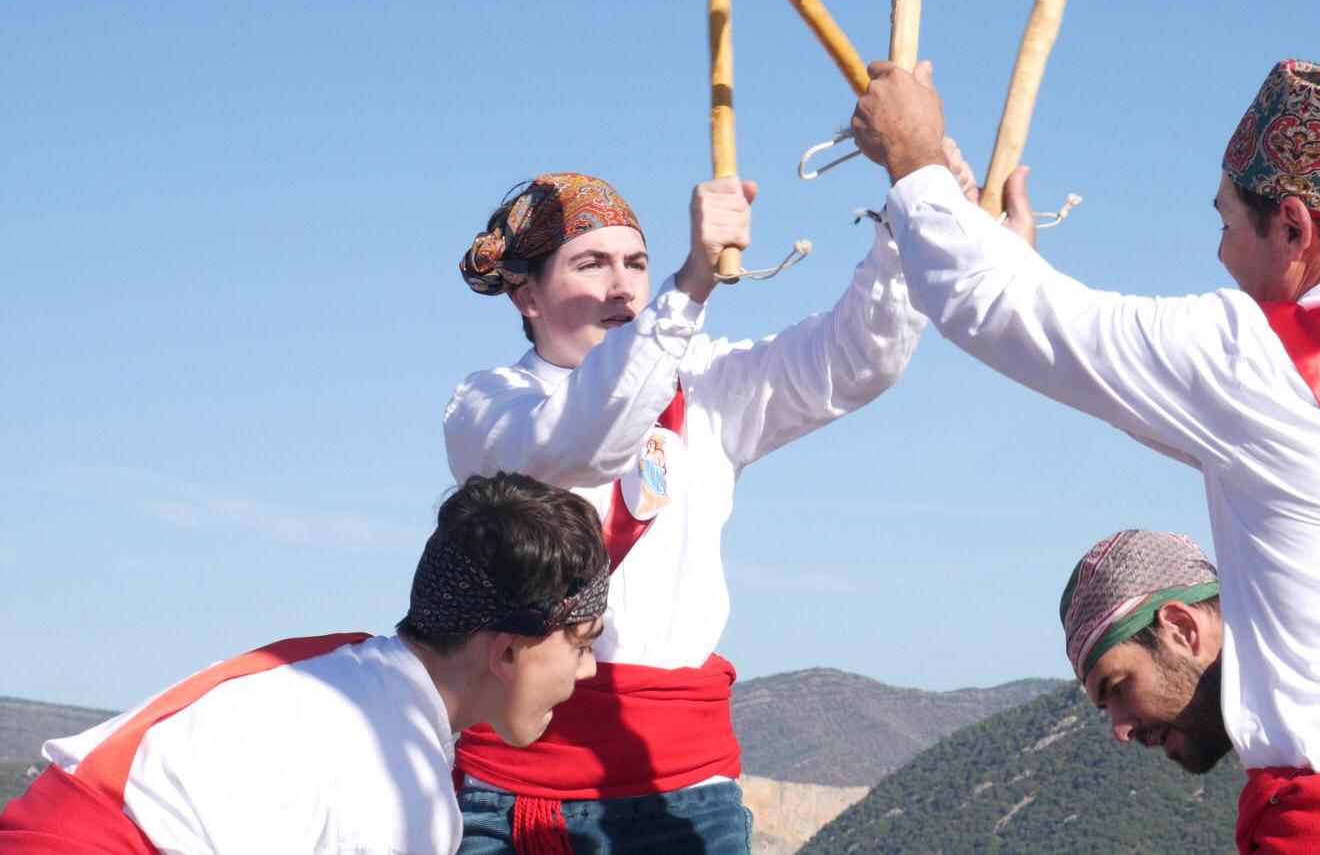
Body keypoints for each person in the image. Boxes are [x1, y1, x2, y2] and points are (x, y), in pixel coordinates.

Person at [850, 58, 1320, 851]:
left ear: (1293, 228)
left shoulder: (1257, 360)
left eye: (1226, 224)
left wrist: (914, 156)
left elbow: (999, 308)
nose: (1220, 257)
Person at [442, 157, 966, 852]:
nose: (622, 285)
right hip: (514, 796)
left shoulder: (711, 385)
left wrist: (909, 211)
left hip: (683, 787)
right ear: (526, 297)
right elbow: (579, 442)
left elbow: (855, 359)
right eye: (590, 262)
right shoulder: (487, 406)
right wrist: (686, 287)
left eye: (636, 262)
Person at [0, 472, 609, 855]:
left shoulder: (342, 669)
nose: (587, 672)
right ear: (506, 652)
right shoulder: (401, 789)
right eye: (582, 644)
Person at [1058, 530, 1230, 776]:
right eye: (1107, 708)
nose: (1121, 731)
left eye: (1119, 687)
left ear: (1182, 629)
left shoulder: (1299, 756)